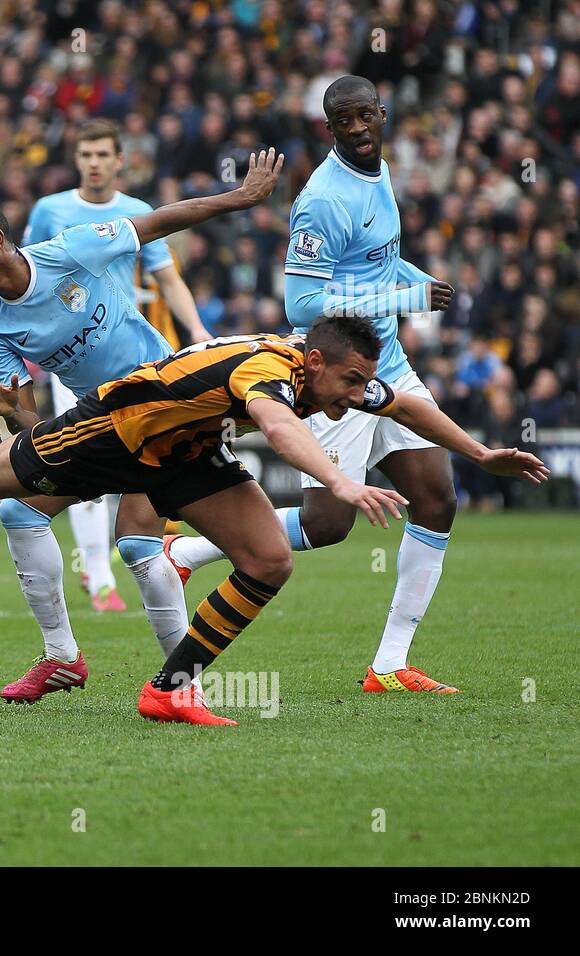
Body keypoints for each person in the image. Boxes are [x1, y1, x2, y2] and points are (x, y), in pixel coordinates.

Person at [0, 316, 548, 725]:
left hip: (183, 453)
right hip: (114, 430)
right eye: (346, 383)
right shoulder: (270, 373)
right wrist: (343, 481)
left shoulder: (330, 371)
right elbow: (281, 429)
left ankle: (169, 690)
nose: (354, 397)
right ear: (315, 364)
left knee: (267, 559)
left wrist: (481, 453)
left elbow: (399, 405)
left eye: (358, 384)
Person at [0, 149, 283, 704]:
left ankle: (182, 687)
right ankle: (63, 658)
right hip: (101, 425)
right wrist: (10, 409)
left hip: (166, 402)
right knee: (20, 508)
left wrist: (240, 198)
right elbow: (32, 420)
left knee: (141, 546)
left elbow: (159, 220)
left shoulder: (70, 250)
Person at [164, 76, 470, 694]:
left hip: (388, 360)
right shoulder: (324, 199)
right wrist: (406, 296)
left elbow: (379, 261)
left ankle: (389, 664)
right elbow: (302, 304)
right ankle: (190, 554)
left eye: (365, 117)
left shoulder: (379, 174)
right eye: (343, 121)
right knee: (327, 525)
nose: (357, 129)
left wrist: (419, 281)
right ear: (328, 128)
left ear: (383, 115)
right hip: (337, 374)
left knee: (437, 497)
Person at [19, 118, 209, 613]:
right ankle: (100, 575)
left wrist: (197, 331)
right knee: (83, 461)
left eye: (104, 154)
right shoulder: (49, 211)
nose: (95, 163)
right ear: (76, 159)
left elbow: (168, 279)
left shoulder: (138, 213)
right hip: (74, 359)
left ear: (120, 159)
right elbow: (22, 271)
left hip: (130, 353)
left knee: (146, 456)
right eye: (87, 155)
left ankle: (150, 548)